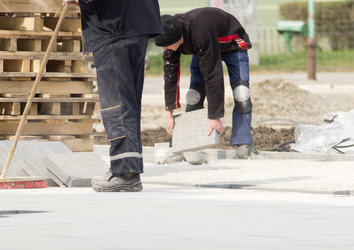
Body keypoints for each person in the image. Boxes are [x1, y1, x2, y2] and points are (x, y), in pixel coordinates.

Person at [78, 0, 163, 192]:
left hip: (114, 28)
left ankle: (126, 173)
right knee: (128, 104)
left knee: (116, 106)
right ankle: (128, 167)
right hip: (137, 23)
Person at [154, 7, 258, 159]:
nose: (165, 49)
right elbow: (170, 76)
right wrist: (169, 111)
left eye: (166, 46)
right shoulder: (170, 36)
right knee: (194, 95)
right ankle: (189, 145)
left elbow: (213, 74)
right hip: (205, 48)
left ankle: (243, 145)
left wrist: (214, 116)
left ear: (177, 38)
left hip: (231, 44)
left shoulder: (200, 33)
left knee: (241, 94)